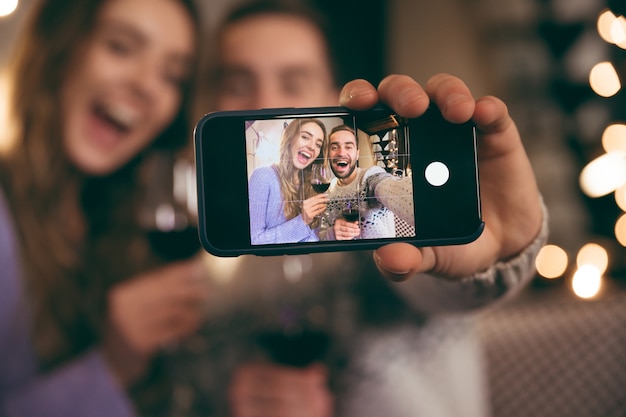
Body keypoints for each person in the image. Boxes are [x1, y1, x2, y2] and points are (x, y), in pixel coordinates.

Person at [174, 1, 547, 416]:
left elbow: (445, 284)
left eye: (293, 82)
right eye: (239, 83)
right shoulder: (196, 266)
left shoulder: (366, 197)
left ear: (330, 98)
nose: (266, 102)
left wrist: (493, 257)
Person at [0, 1, 210, 416]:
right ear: (60, 49)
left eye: (173, 76)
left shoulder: (110, 225)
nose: (148, 86)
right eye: (121, 47)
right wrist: (113, 364)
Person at [320, 124, 414, 240]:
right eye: (334, 147)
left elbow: (390, 188)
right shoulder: (327, 191)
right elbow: (319, 235)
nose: (341, 153)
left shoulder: (369, 177)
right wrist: (332, 233)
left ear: (357, 154)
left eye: (348, 147)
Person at [248, 118, 329, 244]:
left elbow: (314, 237)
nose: (312, 147)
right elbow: (254, 240)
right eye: (305, 137)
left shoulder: (311, 186)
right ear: (290, 138)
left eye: (318, 144)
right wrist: (301, 221)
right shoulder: (263, 177)